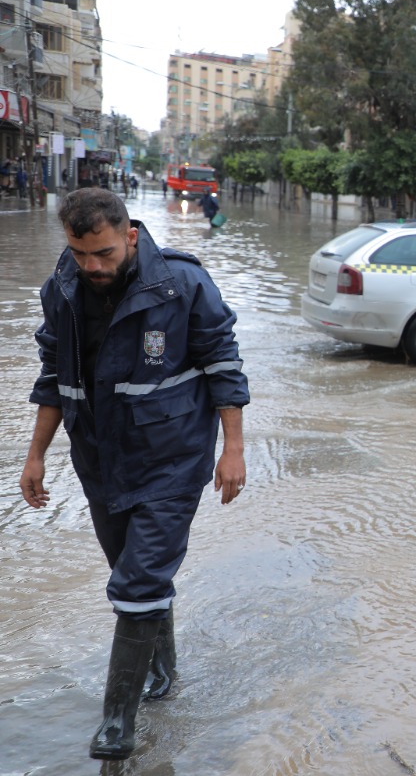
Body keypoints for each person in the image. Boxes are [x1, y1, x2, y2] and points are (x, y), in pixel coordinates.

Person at [19, 188, 249, 760]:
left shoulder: (183, 284)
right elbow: (54, 376)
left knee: (136, 585)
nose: (92, 267)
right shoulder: (63, 289)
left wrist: (234, 449)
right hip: (100, 461)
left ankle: (117, 724)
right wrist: (35, 454)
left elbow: (223, 364)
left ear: (130, 235)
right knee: (136, 575)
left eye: (102, 254)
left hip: (173, 460)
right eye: (80, 254)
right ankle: (162, 669)